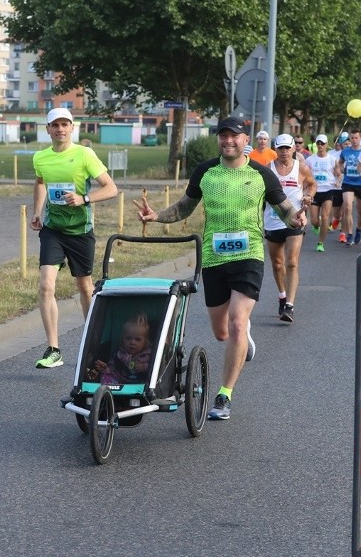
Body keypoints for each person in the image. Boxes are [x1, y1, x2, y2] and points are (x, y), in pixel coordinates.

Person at [134, 116, 305, 421]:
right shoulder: (206, 172)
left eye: (234, 136)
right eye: (223, 136)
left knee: (237, 322)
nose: (228, 141)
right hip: (214, 258)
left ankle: (224, 395)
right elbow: (184, 207)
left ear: (245, 139)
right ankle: (243, 334)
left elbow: (285, 207)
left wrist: (295, 218)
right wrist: (156, 216)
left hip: (249, 255)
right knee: (221, 332)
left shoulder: (261, 175)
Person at [32, 108, 118, 368]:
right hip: (53, 230)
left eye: (64, 124)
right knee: (46, 285)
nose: (60, 129)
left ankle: (95, 346)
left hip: (80, 231)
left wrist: (84, 199)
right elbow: (40, 182)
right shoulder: (40, 157)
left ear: (72, 128)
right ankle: (53, 349)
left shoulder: (84, 154)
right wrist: (37, 211)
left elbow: (111, 188)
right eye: (55, 125)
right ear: (47, 129)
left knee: (84, 287)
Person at [266, 134, 316, 321]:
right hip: (272, 220)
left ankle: (290, 305)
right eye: (281, 148)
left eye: (288, 148)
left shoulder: (301, 168)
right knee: (277, 263)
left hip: (295, 219)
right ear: (276, 149)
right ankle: (282, 295)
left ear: (294, 148)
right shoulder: (268, 170)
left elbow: (311, 184)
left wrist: (308, 196)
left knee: (292, 262)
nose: (284, 151)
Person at [87, 312, 153, 384]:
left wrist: (144, 367)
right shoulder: (119, 354)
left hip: (141, 384)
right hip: (121, 383)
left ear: (145, 341)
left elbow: (157, 368)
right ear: (123, 339)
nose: (132, 342)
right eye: (128, 338)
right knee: (106, 376)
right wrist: (105, 369)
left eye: (137, 339)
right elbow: (112, 371)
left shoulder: (148, 355)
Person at [306, 134, 340, 253]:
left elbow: (339, 174)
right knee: (314, 220)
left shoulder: (332, 159)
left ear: (326, 145)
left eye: (322, 143)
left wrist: (337, 181)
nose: (320, 145)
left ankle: (320, 243)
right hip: (315, 191)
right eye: (318, 143)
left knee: (325, 217)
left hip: (328, 190)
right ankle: (316, 225)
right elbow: (306, 174)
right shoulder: (310, 159)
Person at [336, 130, 361, 246]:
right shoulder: (345, 151)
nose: (354, 140)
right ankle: (349, 234)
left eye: (356, 138)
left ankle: (358, 230)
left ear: (360, 138)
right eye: (352, 138)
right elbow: (340, 162)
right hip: (348, 182)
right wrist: (341, 169)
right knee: (348, 207)